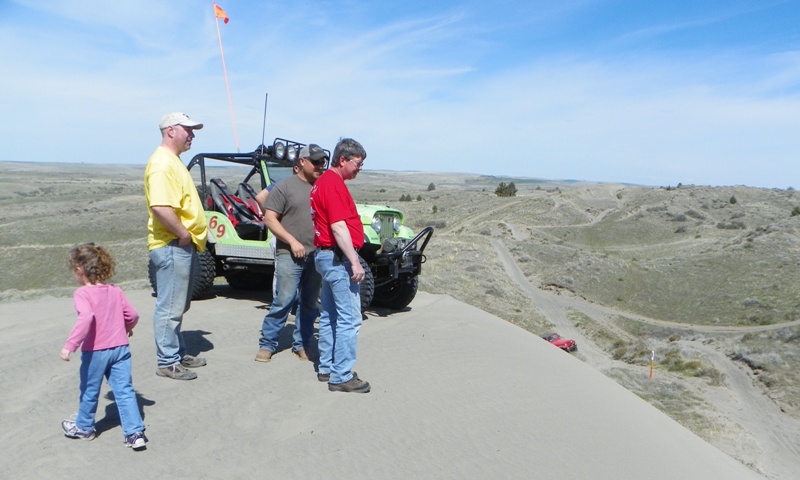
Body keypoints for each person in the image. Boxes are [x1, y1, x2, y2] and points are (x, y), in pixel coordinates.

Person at [60, 243, 148, 450]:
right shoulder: (115, 290)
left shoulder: (82, 294)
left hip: (95, 352)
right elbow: (133, 315)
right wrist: (128, 327)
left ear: (80, 270)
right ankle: (135, 434)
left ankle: (84, 426)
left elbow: (87, 317)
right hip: (120, 348)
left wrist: (70, 345)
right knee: (124, 390)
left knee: (90, 389)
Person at [144, 112, 208, 381]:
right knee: (170, 306)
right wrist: (182, 234)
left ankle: (176, 353)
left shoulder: (173, 161)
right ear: (170, 131)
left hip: (179, 243)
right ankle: (168, 361)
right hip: (171, 244)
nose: (192, 135)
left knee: (177, 304)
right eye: (188, 130)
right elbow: (160, 207)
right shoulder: (162, 164)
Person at [310, 138, 370, 393]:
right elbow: (337, 226)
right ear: (343, 160)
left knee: (330, 315)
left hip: (326, 256)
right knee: (349, 318)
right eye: (358, 163)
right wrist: (354, 261)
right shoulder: (333, 185)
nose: (359, 168)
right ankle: (341, 375)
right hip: (337, 258)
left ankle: (327, 367)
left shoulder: (323, 182)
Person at [256, 144, 326, 363]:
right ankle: (267, 344)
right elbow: (269, 218)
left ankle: (302, 344)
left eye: (322, 162)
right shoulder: (284, 187)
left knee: (309, 303)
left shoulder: (322, 187)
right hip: (289, 253)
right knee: (284, 300)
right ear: (302, 162)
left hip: (316, 255)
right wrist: (292, 241)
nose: (319, 166)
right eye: (315, 161)